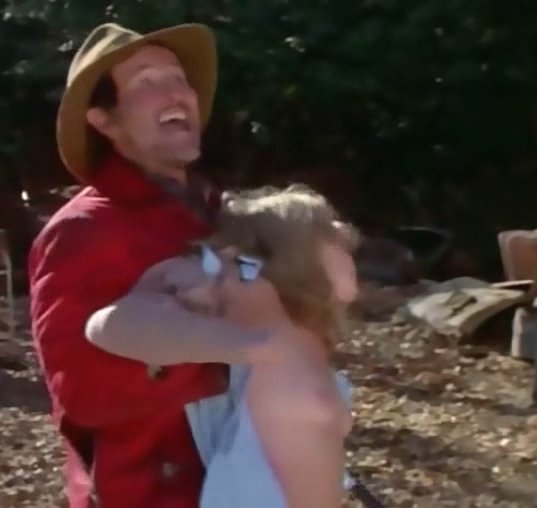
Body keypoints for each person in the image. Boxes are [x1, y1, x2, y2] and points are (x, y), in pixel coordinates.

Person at [28, 22, 296, 508]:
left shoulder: (223, 212)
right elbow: (81, 391)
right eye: (147, 82)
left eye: (178, 79)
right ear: (104, 120)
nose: (175, 93)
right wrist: (225, 357)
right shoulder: (83, 230)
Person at [86, 185, 360, 507]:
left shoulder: (301, 337)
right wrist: (258, 347)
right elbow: (108, 326)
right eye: (325, 228)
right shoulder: (229, 283)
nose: (344, 232)